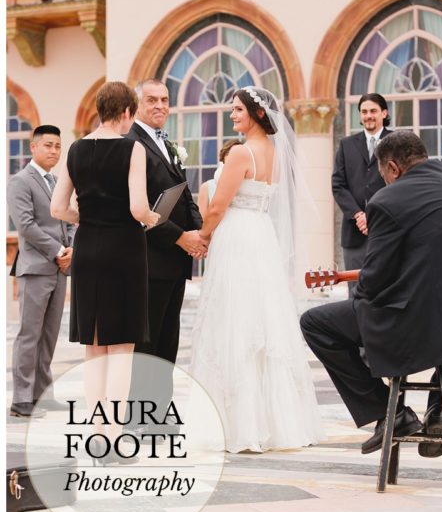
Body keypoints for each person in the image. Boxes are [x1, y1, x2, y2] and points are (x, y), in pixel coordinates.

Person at [301, 131, 442, 457]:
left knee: (314, 323)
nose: (384, 183)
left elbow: (374, 281)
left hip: (415, 322)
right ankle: (438, 406)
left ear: (393, 168)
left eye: (383, 176)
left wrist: (366, 290)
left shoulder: (387, 201)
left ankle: (389, 413)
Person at [188, 87, 324, 453]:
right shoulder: (277, 153)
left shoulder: (240, 153)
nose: (232, 115)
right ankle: (278, 422)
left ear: (256, 113)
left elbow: (218, 206)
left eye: (237, 109)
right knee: (263, 320)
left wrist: (201, 237)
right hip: (261, 235)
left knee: (235, 319)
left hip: (237, 237)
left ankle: (237, 424)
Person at [51, 82, 160, 451]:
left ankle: (96, 435)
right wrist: (154, 217)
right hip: (123, 251)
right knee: (121, 349)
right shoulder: (132, 148)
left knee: (94, 348)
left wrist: (84, 216)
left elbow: (56, 208)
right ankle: (114, 437)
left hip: (87, 249)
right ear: (128, 112)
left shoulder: (76, 149)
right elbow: (137, 209)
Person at [125, 79, 205, 430]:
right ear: (138, 104)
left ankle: (159, 414)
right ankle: (138, 418)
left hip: (175, 260)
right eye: (152, 100)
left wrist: (200, 232)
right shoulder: (132, 143)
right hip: (148, 257)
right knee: (146, 341)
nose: (160, 105)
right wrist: (180, 237)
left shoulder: (167, 143)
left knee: (167, 340)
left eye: (165, 100)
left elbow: (184, 194)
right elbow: (137, 207)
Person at [8, 125, 74, 418]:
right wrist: (59, 251)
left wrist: (71, 248)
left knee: (48, 335)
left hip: (60, 269)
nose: (54, 151)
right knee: (29, 334)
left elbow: (67, 220)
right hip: (35, 268)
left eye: (58, 146)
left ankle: (43, 394)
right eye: (48, 145)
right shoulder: (20, 181)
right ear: (33, 147)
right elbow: (26, 225)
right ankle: (22, 398)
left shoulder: (58, 182)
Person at [332, 92, 391, 270]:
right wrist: (358, 215)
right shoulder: (346, 145)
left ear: (384, 113)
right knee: (355, 291)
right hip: (354, 233)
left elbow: (403, 182)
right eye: (364, 112)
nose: (368, 116)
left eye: (373, 111)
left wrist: (374, 216)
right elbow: (338, 185)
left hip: (387, 230)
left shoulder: (396, 142)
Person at [197, 139, 243, 217]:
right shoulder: (207, 187)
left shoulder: (246, 187)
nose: (234, 158)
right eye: (230, 153)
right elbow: (201, 221)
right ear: (224, 156)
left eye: (238, 155)